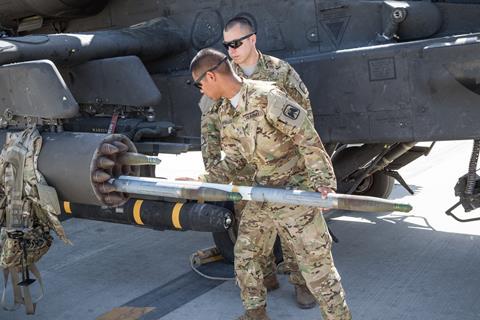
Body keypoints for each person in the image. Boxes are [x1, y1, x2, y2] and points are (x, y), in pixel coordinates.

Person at [191, 48, 351, 320]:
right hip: (263, 191)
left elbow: (307, 137)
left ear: (211, 76)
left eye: (199, 83)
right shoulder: (227, 111)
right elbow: (235, 160)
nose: (200, 90)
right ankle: (256, 315)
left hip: (294, 192)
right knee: (246, 255)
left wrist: (324, 183)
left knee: (317, 268)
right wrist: (203, 181)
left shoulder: (268, 97)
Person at [199, 16, 316, 308]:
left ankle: (302, 285)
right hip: (244, 168)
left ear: (253, 39)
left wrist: (306, 167)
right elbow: (208, 123)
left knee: (293, 232)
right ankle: (266, 278)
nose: (231, 50)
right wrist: (211, 169)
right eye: (227, 45)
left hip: (284, 167)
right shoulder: (224, 74)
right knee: (251, 230)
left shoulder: (281, 72)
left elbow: (304, 118)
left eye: (236, 43)